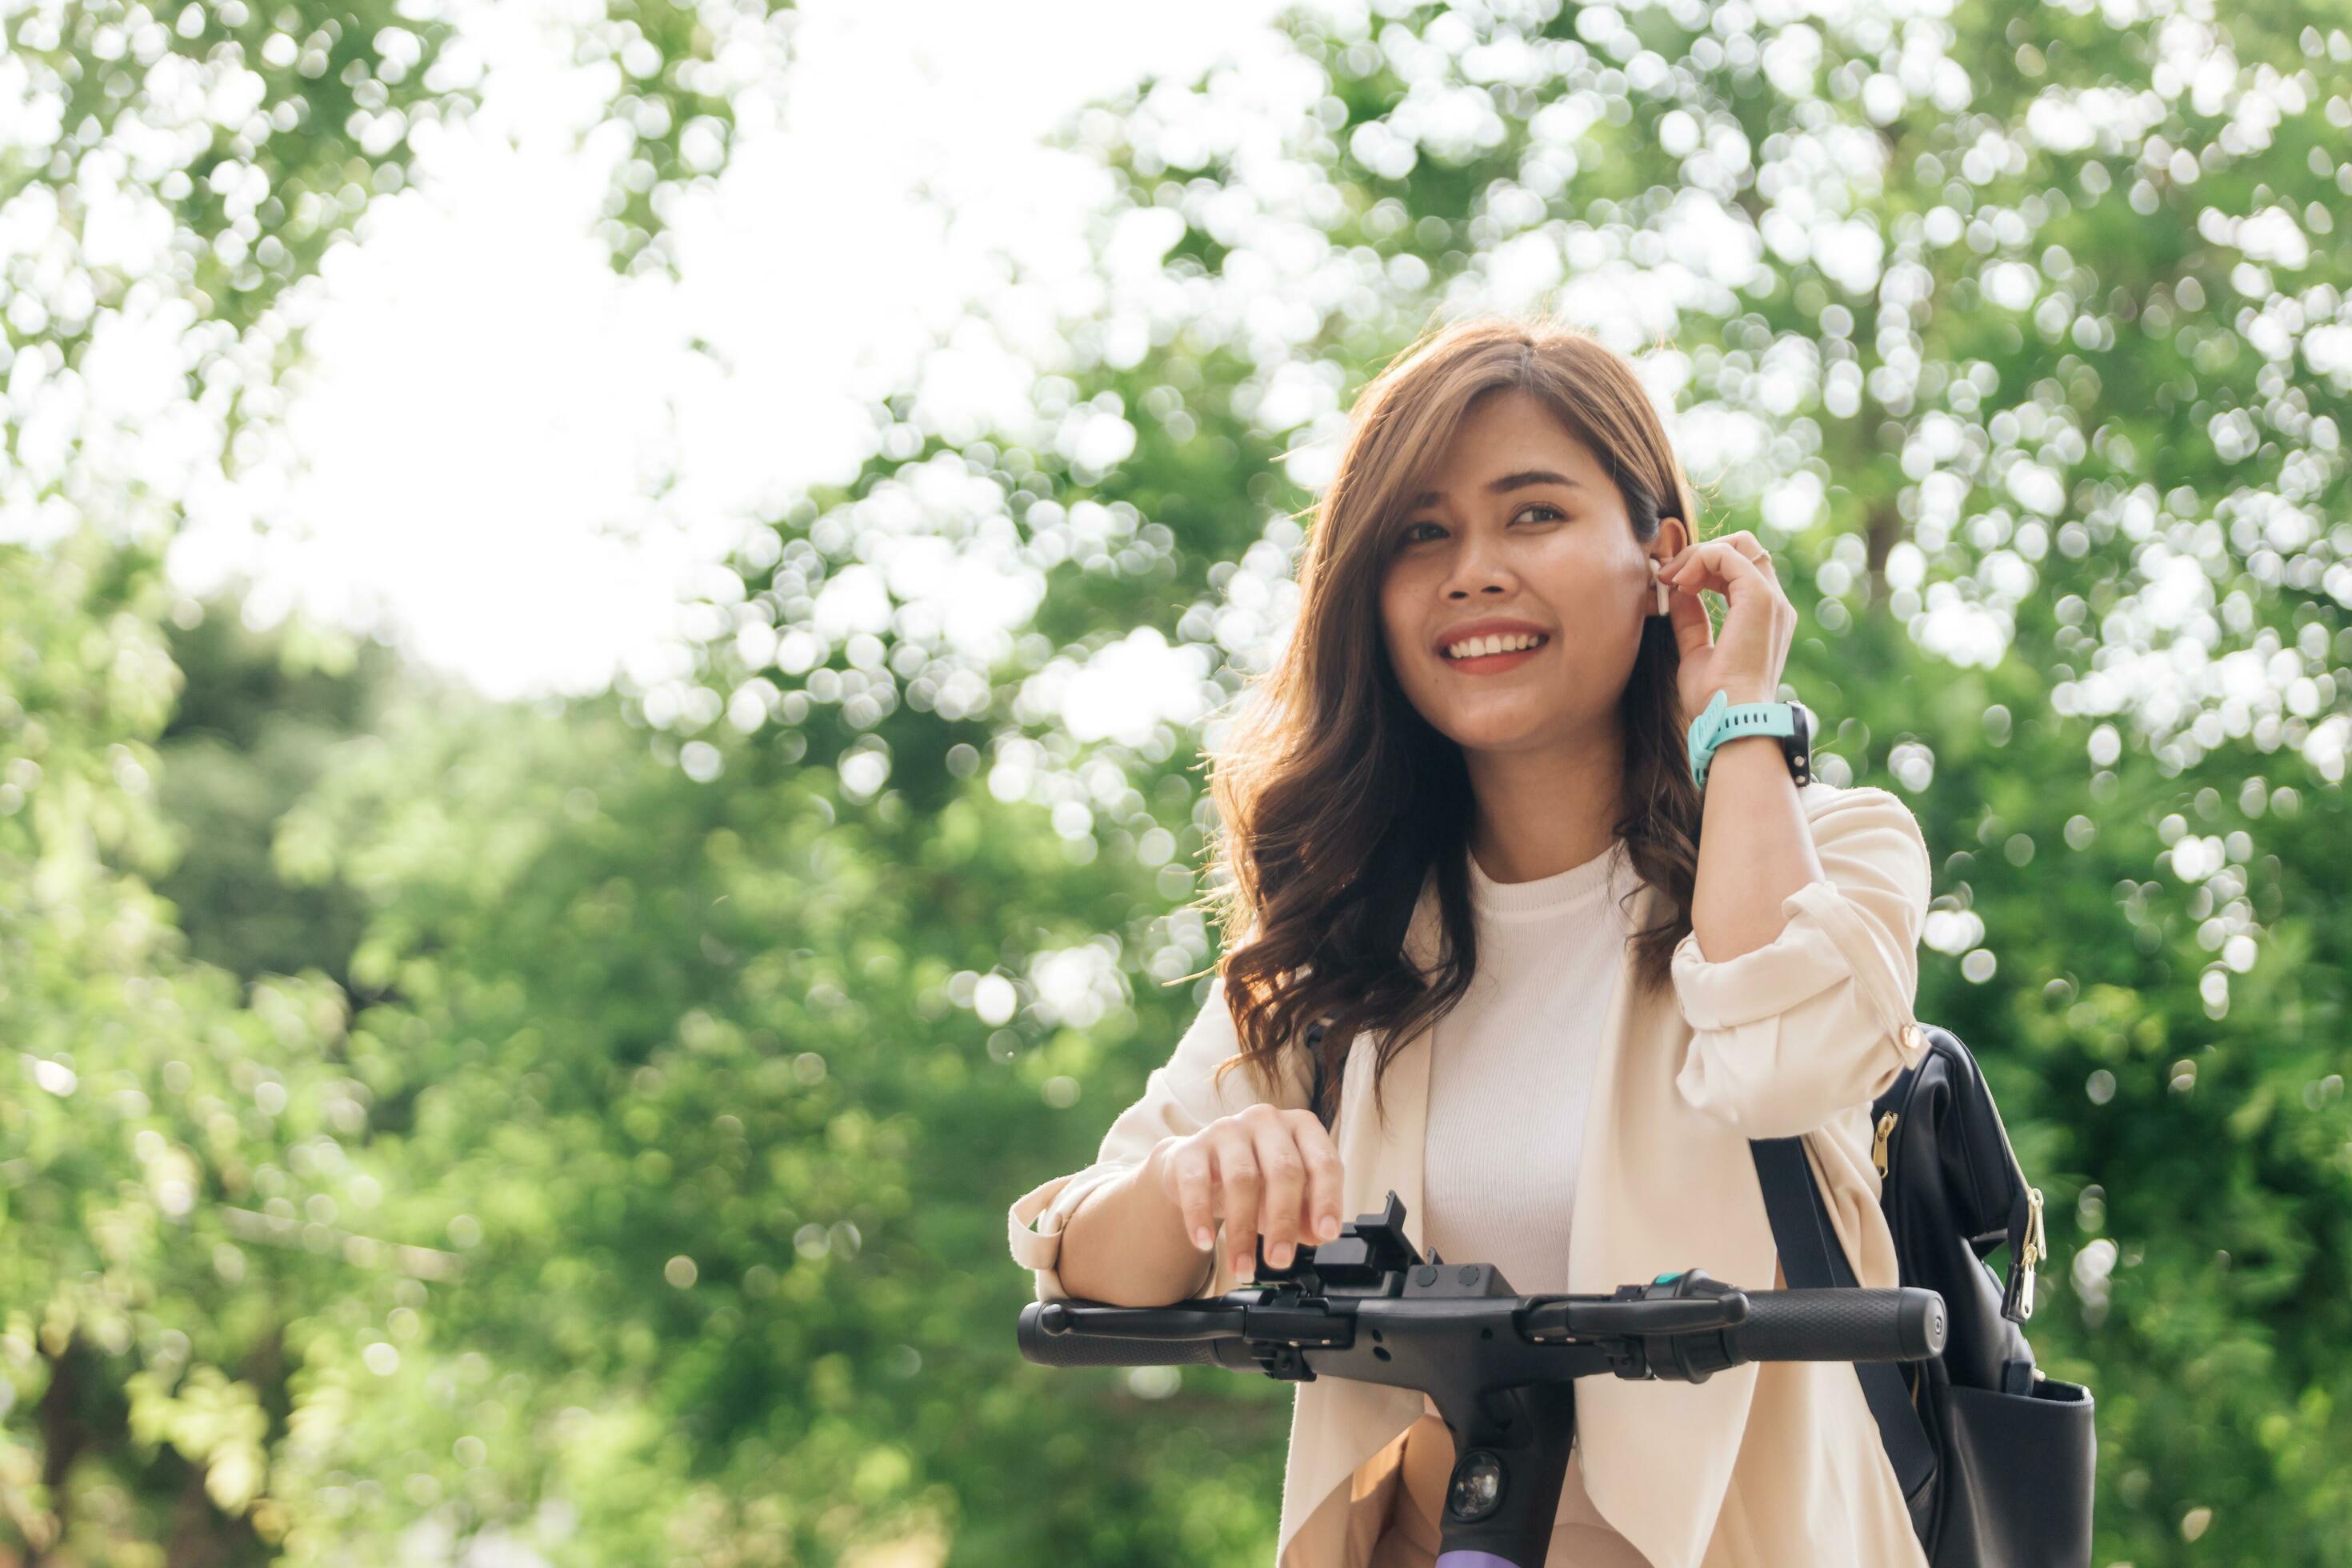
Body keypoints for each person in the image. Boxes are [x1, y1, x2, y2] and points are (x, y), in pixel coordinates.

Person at [1007, 314, 1936, 1568]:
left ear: (1664, 556)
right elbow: (1083, 1262)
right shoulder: (1345, 947)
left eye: (1535, 515)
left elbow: (1780, 1061)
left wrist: (1741, 723)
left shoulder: (1838, 852)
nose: (1475, 571)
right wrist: (1193, 1182)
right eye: (1420, 535)